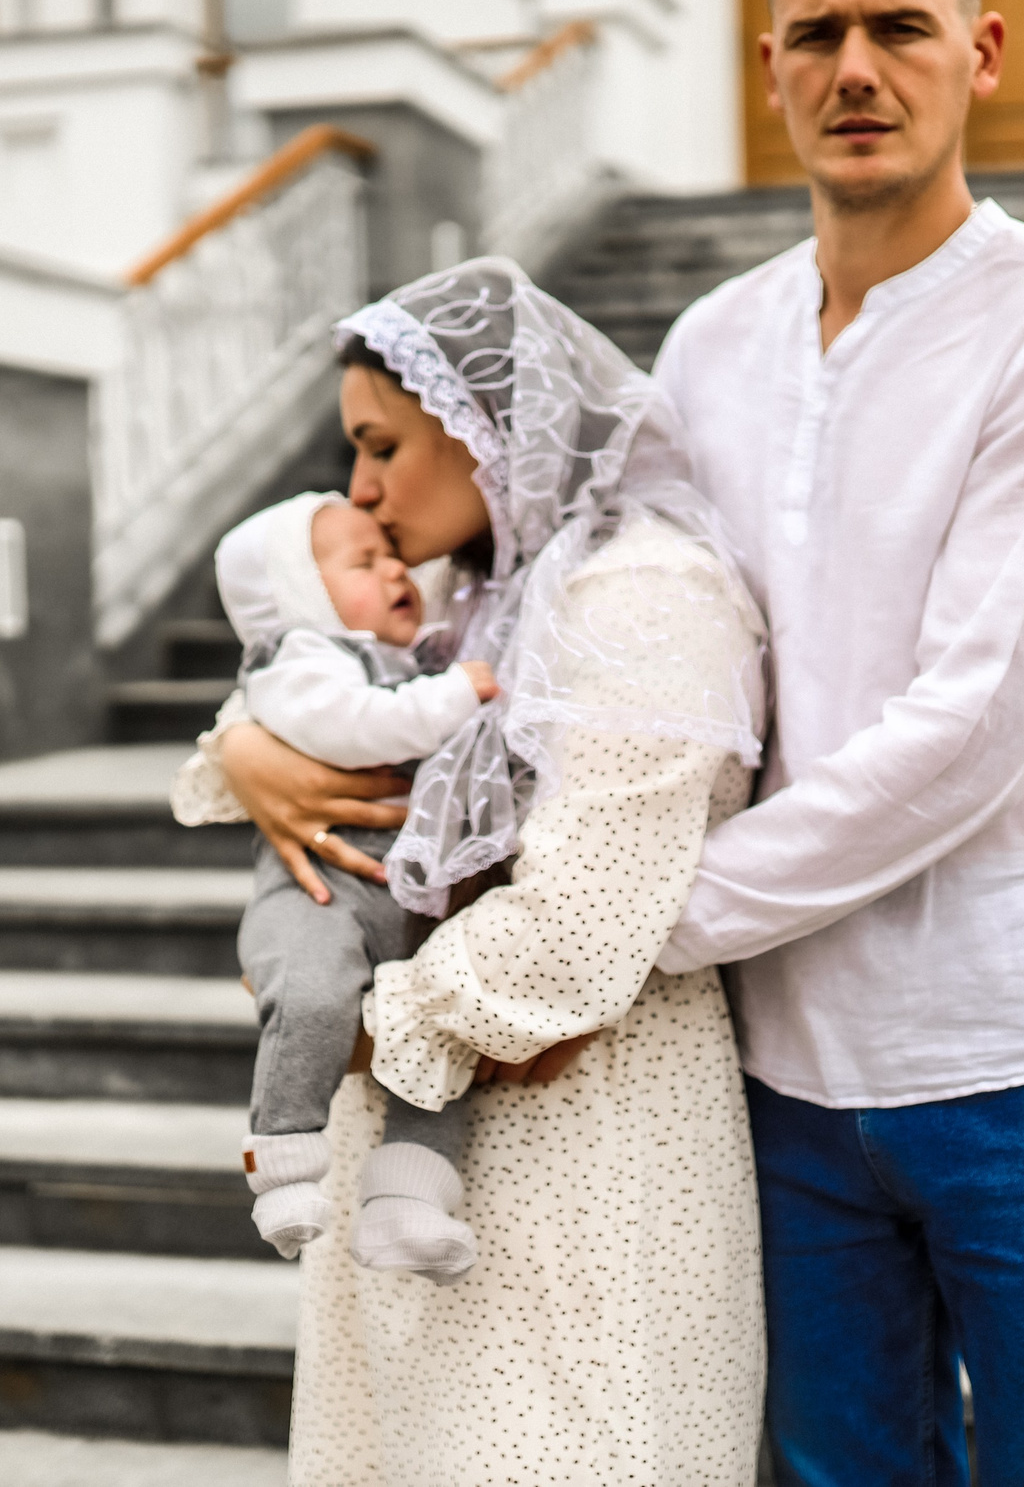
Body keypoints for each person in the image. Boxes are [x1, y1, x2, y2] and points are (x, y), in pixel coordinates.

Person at [647, 0, 1024, 1484]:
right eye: (816, 33)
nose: (856, 69)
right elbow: (594, 632)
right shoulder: (708, 348)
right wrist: (274, 730)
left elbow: (970, 735)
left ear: (986, 51)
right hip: (782, 1079)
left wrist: (631, 925)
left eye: (900, 26)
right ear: (769, 66)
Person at [188, 259, 770, 1484]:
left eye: (384, 446)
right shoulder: (464, 607)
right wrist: (244, 751)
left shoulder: (638, 593)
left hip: (585, 1139)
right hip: (422, 1140)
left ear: (484, 427)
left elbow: (575, 928)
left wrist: (333, 1021)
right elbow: (309, 698)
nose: (359, 489)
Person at [185, 492, 497, 1281]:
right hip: (321, 896)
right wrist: (457, 693)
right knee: (315, 995)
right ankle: (284, 1157)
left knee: (443, 1037)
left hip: (414, 903)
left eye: (394, 555)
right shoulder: (300, 656)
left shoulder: (411, 653)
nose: (396, 567)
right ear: (299, 593)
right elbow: (355, 726)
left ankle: (408, 1201)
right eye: (364, 561)